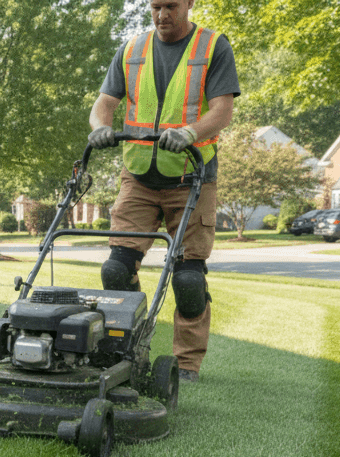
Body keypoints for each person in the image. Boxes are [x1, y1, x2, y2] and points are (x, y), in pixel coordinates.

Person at [86, 0, 239, 382]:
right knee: (116, 271)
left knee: (188, 279)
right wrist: (100, 126)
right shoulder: (132, 49)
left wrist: (189, 132)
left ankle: (186, 363)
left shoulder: (213, 47)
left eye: (171, 6)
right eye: (155, 6)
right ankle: (127, 349)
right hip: (138, 176)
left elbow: (222, 111)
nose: (162, 15)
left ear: (189, 3)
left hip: (191, 176)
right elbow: (105, 102)